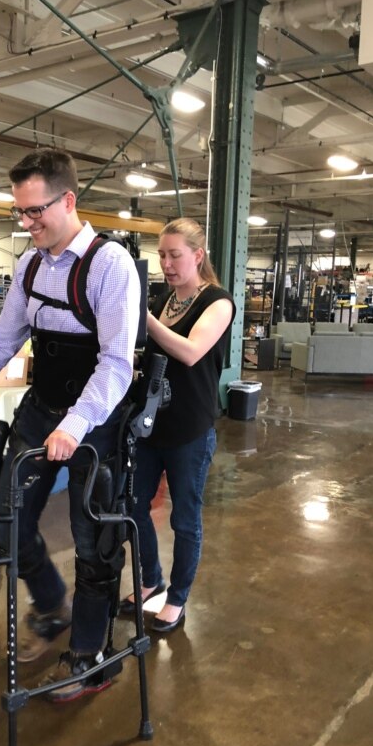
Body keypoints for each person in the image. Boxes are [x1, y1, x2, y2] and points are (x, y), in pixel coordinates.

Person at [0, 147, 140, 701]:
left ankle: (90, 656)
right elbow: (2, 341)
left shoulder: (110, 266)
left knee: (95, 540)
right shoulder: (31, 265)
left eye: (36, 210)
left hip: (94, 425)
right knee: (4, 518)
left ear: (68, 200)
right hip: (40, 411)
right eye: (20, 212)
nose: (27, 222)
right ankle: (50, 602)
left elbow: (116, 362)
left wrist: (78, 423)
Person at [120, 218, 235, 632]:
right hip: (151, 425)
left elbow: (189, 352)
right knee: (134, 506)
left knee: (184, 519)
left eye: (175, 255)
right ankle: (151, 579)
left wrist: (142, 318)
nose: (166, 264)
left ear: (198, 255)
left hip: (189, 429)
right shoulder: (164, 300)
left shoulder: (218, 303)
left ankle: (179, 596)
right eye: (162, 256)